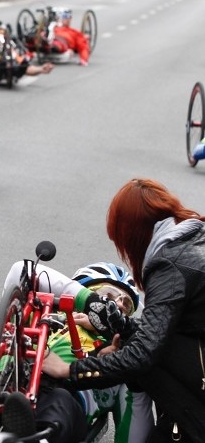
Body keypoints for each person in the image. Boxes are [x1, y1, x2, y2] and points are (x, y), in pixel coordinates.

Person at [42, 178, 205, 441]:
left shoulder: (169, 264)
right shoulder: (192, 239)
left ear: (132, 234)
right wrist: (118, 324)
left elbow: (144, 353)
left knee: (138, 358)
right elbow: (158, 335)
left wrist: (68, 371)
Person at [1, 261, 154, 442]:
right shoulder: (40, 315)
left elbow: (134, 434)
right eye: (107, 296)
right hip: (3, 382)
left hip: (61, 399)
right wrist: (90, 303)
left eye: (126, 305)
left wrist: (125, 365)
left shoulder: (120, 356)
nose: (118, 305)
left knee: (60, 400)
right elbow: (20, 270)